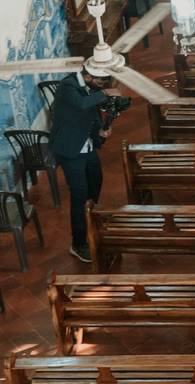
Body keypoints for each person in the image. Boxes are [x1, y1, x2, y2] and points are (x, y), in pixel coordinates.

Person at [49, 64, 112, 263]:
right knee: (79, 195)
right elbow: (82, 104)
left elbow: (92, 115)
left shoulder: (90, 87)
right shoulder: (67, 86)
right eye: (100, 81)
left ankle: (91, 217)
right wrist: (106, 93)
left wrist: (101, 131)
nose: (102, 84)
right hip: (70, 149)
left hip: (87, 146)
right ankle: (78, 243)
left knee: (96, 181)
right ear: (87, 76)